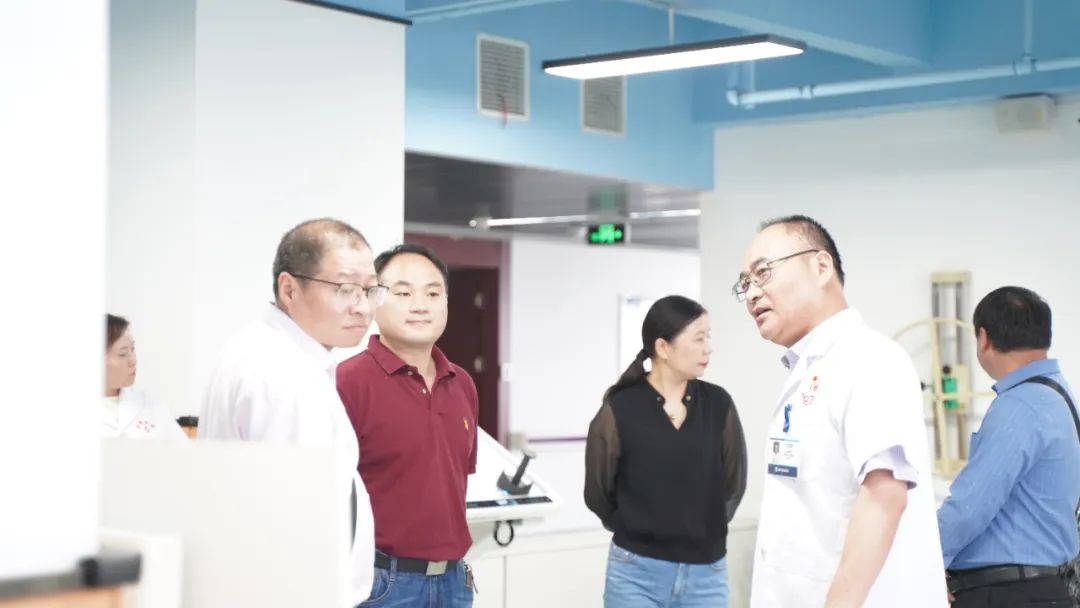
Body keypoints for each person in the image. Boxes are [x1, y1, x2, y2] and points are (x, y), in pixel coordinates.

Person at [735, 215, 947, 608]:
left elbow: (885, 496)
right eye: (744, 283)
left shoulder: (869, 358)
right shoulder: (811, 369)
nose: (751, 294)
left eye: (763, 273)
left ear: (821, 267)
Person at [198, 218, 384, 607]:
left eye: (370, 290)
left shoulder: (273, 353)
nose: (363, 307)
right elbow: (294, 520)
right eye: (345, 289)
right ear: (289, 288)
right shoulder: (281, 373)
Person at [336, 243, 478, 607]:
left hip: (455, 583)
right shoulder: (347, 382)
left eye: (433, 293)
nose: (420, 305)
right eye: (403, 293)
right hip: (382, 583)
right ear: (374, 300)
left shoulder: (461, 383)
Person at [584, 295, 747, 608]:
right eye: (698, 339)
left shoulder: (719, 404)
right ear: (663, 347)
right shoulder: (619, 408)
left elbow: (733, 485)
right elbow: (598, 493)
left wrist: (700, 532)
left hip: (707, 575)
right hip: (635, 573)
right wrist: (639, 529)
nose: (708, 348)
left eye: (708, 337)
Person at [938, 286, 1080, 607]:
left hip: (1008, 593)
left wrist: (926, 559)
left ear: (983, 338)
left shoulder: (1020, 405)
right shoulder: (1059, 396)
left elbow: (969, 507)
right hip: (1042, 588)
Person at [101, 314, 187, 440]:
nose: (133, 360)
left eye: (133, 349)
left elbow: (185, 449)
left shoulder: (152, 405)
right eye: (123, 353)